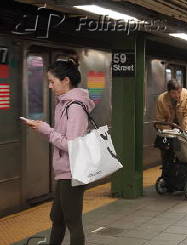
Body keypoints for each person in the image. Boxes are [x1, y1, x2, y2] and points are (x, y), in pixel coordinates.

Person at [22, 58, 94, 245]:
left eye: (52, 82)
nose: (50, 86)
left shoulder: (75, 107)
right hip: (65, 171)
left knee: (73, 221)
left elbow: (72, 145)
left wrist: (47, 130)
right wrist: (44, 129)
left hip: (73, 172)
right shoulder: (63, 104)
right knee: (58, 218)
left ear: (66, 81)